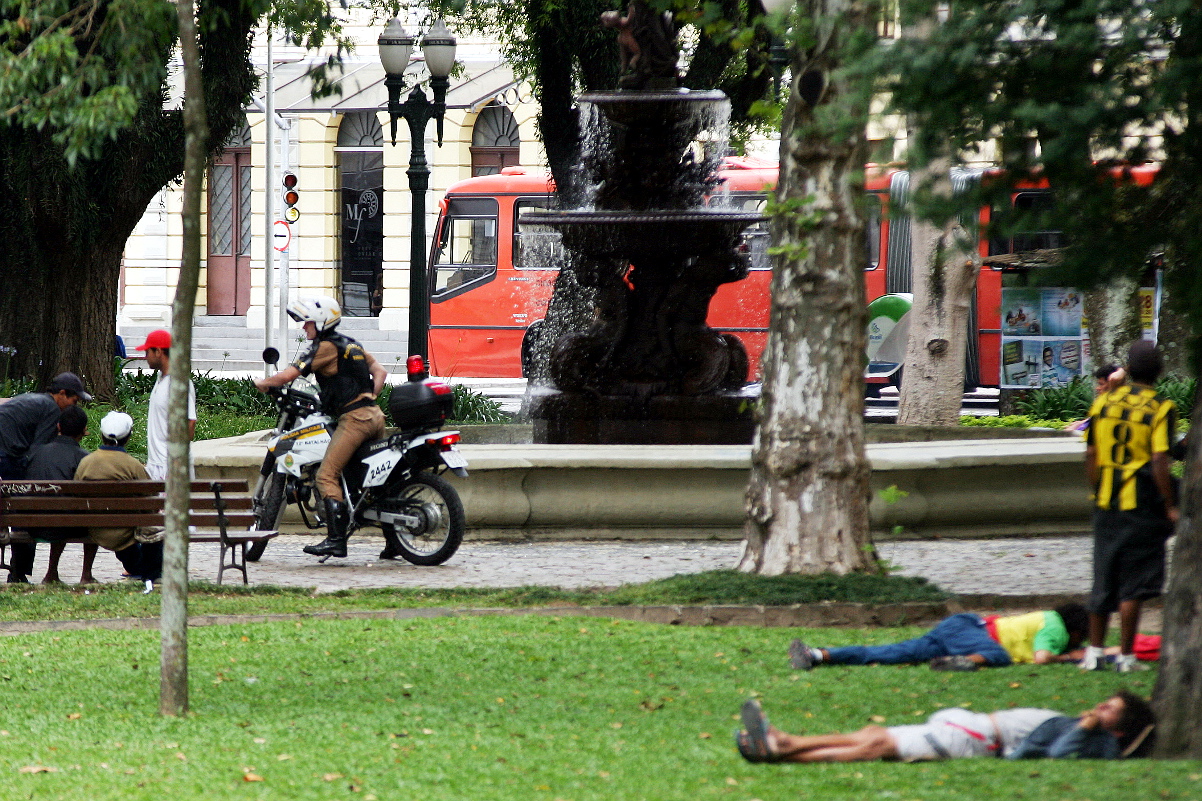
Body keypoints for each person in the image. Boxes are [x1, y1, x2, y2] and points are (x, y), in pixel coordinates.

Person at [253, 296, 388, 558]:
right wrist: (368, 398)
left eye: (307, 323)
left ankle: (336, 540)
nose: (304, 327)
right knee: (368, 482)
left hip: (355, 421)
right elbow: (380, 372)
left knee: (326, 475)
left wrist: (264, 382)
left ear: (322, 322)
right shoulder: (351, 344)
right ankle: (393, 540)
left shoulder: (324, 347)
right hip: (375, 416)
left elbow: (289, 375)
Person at [1083, 340, 1177, 673]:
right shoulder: (1161, 408)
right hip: (1141, 501)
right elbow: (1159, 457)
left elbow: (1091, 453)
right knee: (1134, 582)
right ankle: (1126, 656)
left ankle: (1093, 653)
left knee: (1104, 571)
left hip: (1106, 499)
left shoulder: (1103, 402)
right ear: (1160, 372)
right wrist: (1169, 504)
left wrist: (1096, 489)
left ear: (1128, 369)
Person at [734, 690, 1155, 764]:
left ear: (1118, 730)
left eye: (1111, 709)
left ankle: (784, 749)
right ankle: (786, 743)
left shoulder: (1096, 742)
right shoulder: (1092, 731)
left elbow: (1060, 755)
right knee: (869, 734)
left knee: (876, 744)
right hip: (968, 724)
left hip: (975, 738)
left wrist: (1086, 724)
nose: (1101, 706)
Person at [788, 604, 1089, 671]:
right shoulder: (1056, 627)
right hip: (972, 633)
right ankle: (957, 662)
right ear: (1075, 631)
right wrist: (1067, 656)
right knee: (1000, 657)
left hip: (957, 630)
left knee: (889, 652)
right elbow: (1042, 658)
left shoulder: (1049, 619)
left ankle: (816, 654)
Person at [5, 406, 97, 585]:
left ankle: (48, 573)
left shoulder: (34, 452)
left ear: (58, 427)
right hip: (66, 525)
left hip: (30, 525)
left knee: (60, 512)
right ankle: (85, 575)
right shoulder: (84, 459)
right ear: (84, 432)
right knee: (88, 516)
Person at [74, 412, 162, 582]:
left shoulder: (86, 462)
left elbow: (76, 493)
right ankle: (151, 573)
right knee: (156, 525)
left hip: (95, 530)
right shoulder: (133, 465)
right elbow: (152, 500)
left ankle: (139, 569)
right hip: (126, 533)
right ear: (128, 437)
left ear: (101, 435)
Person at [0, 372, 91, 482]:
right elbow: (38, 450)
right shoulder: (52, 409)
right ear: (62, 393)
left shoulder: (35, 399)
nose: (74, 406)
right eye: (74, 401)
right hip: (7, 455)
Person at [134, 329, 196, 481]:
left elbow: (190, 422)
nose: (145, 356)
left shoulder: (179, 383)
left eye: (147, 351)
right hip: (157, 464)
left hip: (172, 466)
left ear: (158, 352)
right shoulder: (160, 379)